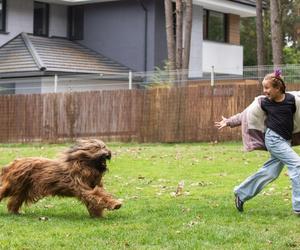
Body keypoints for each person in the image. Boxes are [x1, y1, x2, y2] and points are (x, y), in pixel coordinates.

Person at [215, 70, 300, 215]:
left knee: (270, 172)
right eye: (264, 88)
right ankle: (298, 207)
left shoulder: (292, 99)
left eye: (267, 88)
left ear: (278, 88)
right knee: (297, 164)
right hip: (273, 139)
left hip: (285, 141)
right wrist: (229, 122)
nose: (265, 91)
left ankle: (241, 193)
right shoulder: (263, 102)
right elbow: (245, 115)